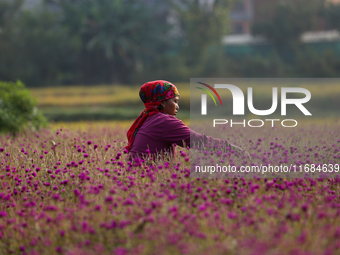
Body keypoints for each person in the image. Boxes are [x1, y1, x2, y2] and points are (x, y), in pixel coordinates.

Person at [126, 80, 248, 161]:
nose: (177, 107)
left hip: (138, 178)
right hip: (148, 181)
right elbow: (198, 141)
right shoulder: (163, 121)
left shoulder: (149, 118)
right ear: (162, 102)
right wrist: (234, 150)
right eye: (175, 101)